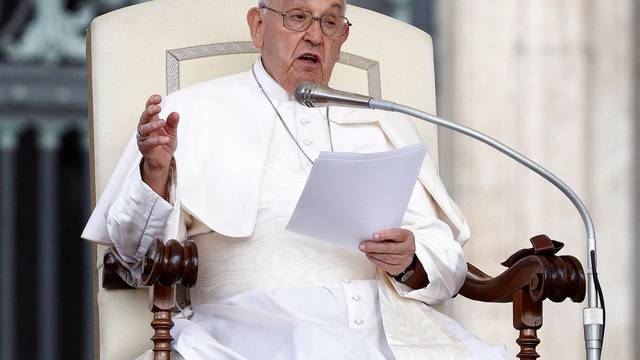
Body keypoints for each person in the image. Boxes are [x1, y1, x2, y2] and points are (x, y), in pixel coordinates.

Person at [83, 0, 508, 359]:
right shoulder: (189, 113)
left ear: (343, 38)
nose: (315, 35)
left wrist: (412, 260)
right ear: (258, 25)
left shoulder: (385, 121)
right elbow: (134, 255)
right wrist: (155, 172)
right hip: (254, 326)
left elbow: (449, 264)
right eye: (298, 17)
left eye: (331, 20)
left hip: (392, 326)